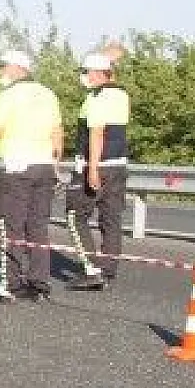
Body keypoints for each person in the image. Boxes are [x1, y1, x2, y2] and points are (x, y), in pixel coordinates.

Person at [0, 50, 64, 302]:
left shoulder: (8, 95)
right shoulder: (48, 93)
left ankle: (11, 284)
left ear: (17, 68)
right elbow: (58, 132)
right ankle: (39, 282)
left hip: (17, 165)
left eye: (2, 68)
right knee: (38, 225)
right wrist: (55, 164)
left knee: (11, 225)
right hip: (43, 166)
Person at [65, 51, 131, 290]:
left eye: (86, 72)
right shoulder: (121, 95)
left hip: (97, 165)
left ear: (96, 74)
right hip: (118, 165)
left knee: (75, 215)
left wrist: (91, 168)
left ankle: (92, 269)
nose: (84, 76)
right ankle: (108, 269)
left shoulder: (98, 97)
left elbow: (96, 133)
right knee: (111, 218)